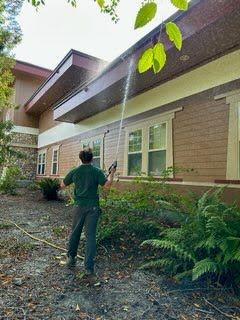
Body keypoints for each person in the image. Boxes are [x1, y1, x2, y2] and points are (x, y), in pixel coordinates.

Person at [60, 147, 116, 277]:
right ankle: (89, 268)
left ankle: (71, 259)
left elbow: (62, 185)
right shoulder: (97, 171)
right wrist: (111, 173)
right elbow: (107, 186)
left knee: (75, 232)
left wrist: (71, 181)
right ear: (92, 158)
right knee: (90, 236)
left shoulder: (75, 171)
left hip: (79, 206)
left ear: (81, 158)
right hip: (93, 208)